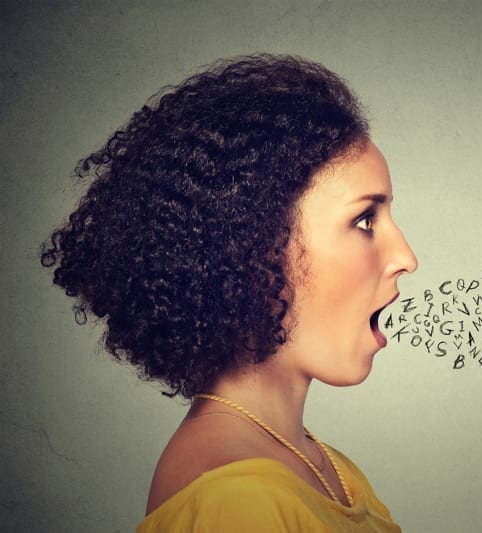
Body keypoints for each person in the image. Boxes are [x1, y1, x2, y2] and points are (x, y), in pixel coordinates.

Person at [40, 54, 417, 532]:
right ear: (254, 249)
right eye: (365, 220)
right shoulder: (239, 503)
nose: (406, 256)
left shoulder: (329, 468)